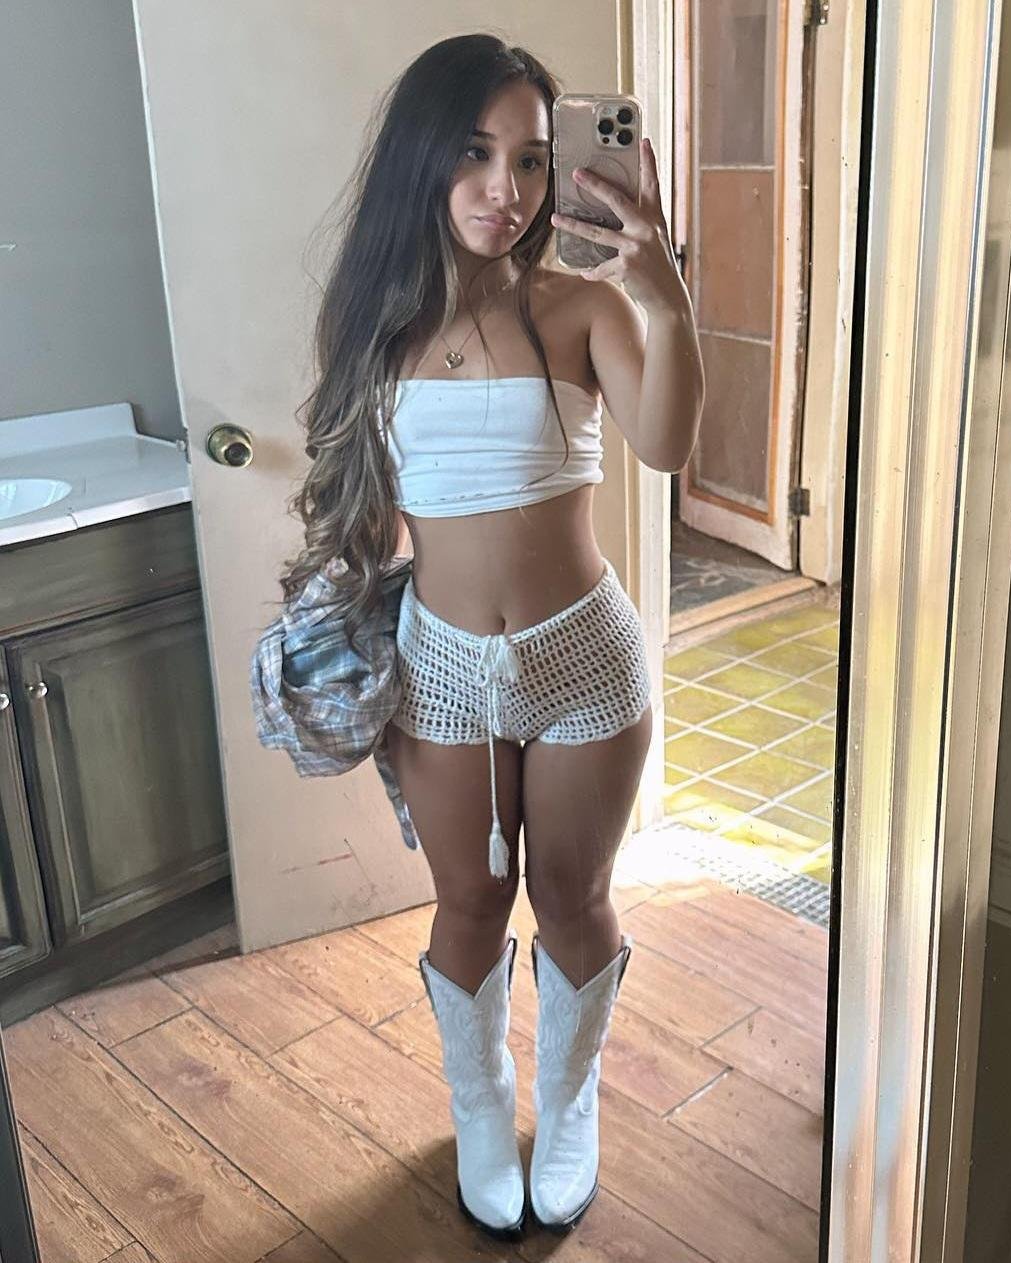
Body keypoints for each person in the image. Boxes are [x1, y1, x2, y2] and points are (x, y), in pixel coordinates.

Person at [276, 33, 702, 1240]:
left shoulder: (582, 308)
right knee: (471, 896)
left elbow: (666, 441)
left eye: (529, 158)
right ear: (424, 157)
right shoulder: (373, 324)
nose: (504, 188)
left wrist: (664, 294)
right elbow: (365, 511)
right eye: (473, 153)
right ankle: (481, 1106)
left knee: (570, 894)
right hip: (441, 670)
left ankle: (568, 1106)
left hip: (584, 660)